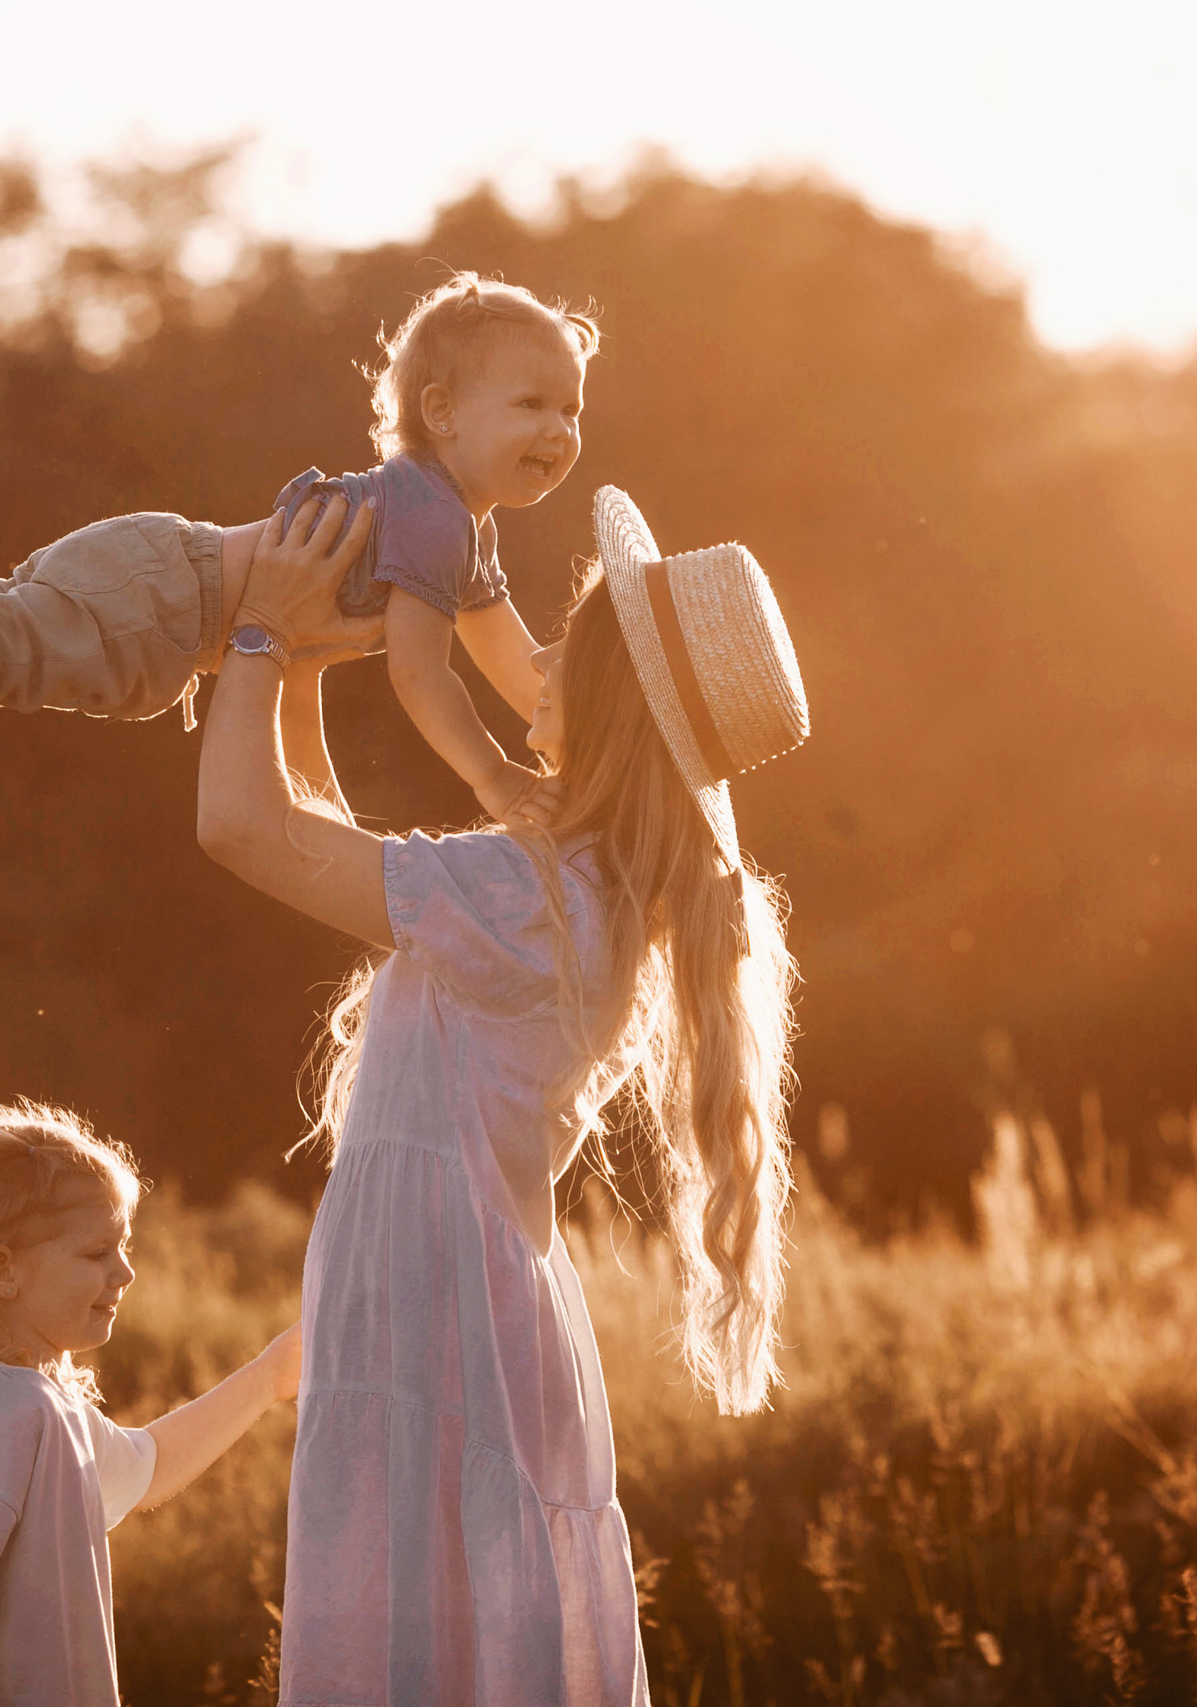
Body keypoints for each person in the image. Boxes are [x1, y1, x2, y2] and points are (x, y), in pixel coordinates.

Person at [194, 485, 812, 1703]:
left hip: (444, 1321)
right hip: (465, 1309)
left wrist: (262, 633)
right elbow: (325, 849)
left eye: (559, 648)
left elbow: (238, 828)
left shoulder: (533, 898)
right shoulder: (573, 891)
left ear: (603, 699)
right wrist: (310, 661)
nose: (529, 663)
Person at [0, 273, 595, 827]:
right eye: (532, 404)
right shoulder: (434, 519)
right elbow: (422, 676)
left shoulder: (457, 529)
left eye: (571, 409)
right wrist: (498, 781)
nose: (558, 428)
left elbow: (514, 666)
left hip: (164, 571)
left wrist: (584, 746)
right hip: (170, 600)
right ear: (441, 413)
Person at [0, 1100, 302, 1707]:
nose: (124, 1273)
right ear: (2, 1271)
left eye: (122, 1247)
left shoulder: (46, 1407)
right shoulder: (6, 1409)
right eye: (97, 1253)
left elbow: (149, 1466)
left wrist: (267, 1377)